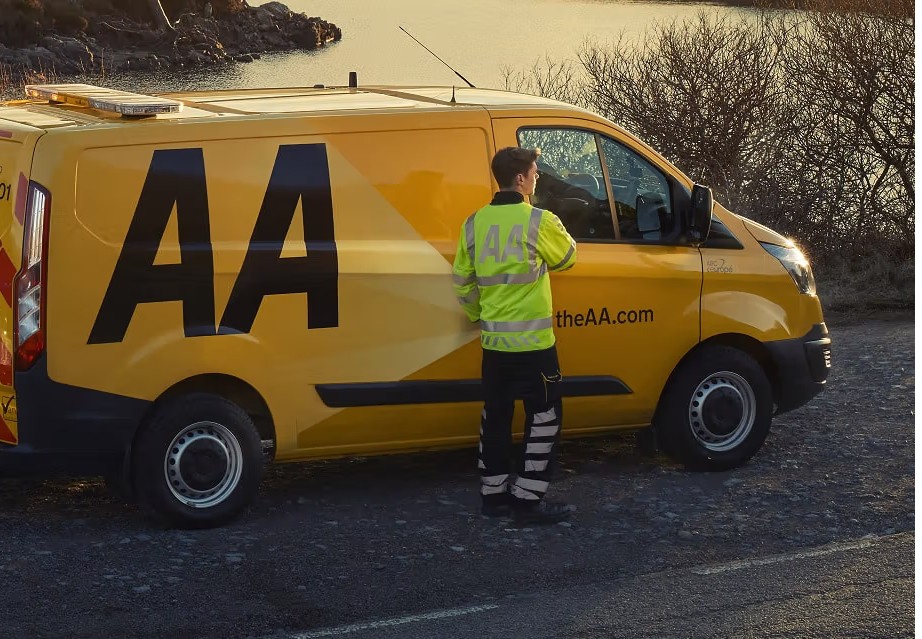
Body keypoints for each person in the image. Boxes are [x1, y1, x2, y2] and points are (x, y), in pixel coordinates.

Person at [451, 146, 578, 525]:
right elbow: (568, 257)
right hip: (535, 348)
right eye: (535, 172)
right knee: (544, 418)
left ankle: (493, 496)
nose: (538, 177)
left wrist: (479, 315)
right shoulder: (538, 220)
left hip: (494, 346)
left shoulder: (473, 223)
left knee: (496, 417)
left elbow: (462, 283)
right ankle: (527, 499)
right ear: (520, 178)